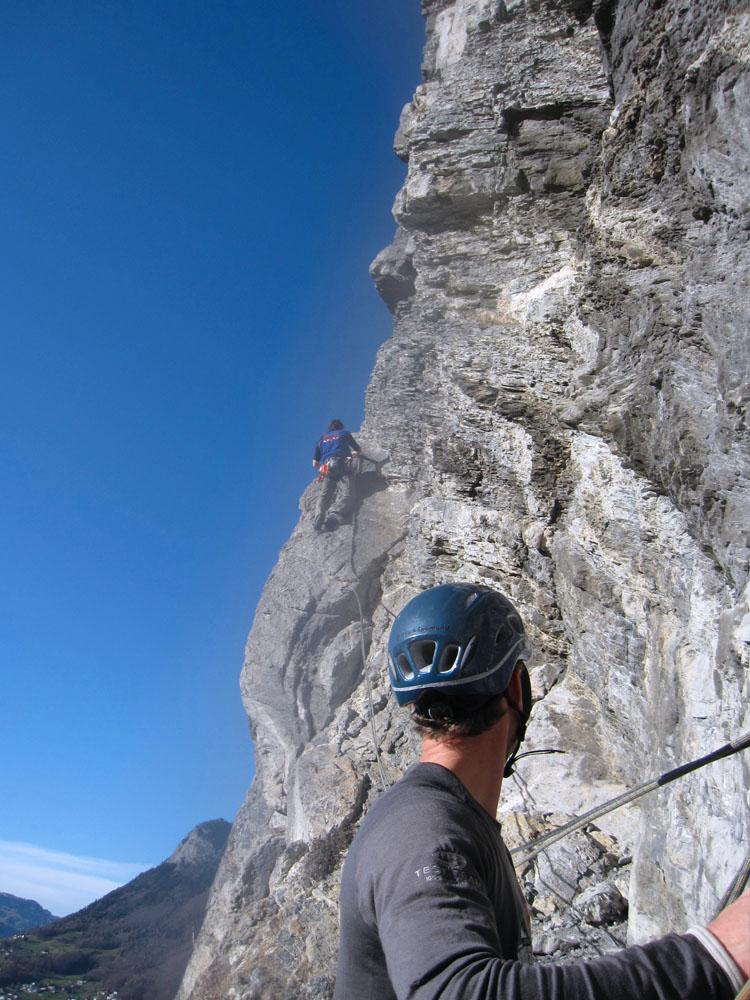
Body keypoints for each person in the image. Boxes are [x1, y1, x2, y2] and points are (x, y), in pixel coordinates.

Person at [333, 582, 750, 1000]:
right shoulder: (420, 831)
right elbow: (460, 991)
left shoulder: (436, 818)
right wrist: (719, 953)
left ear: (413, 707)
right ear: (516, 687)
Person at [312, 419, 361, 531]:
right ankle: (335, 512)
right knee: (349, 492)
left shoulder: (321, 439)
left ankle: (318, 516)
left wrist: (322, 470)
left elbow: (314, 463)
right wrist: (353, 453)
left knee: (324, 495)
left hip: (328, 467)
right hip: (343, 464)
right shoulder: (344, 433)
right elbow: (358, 450)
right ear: (341, 427)